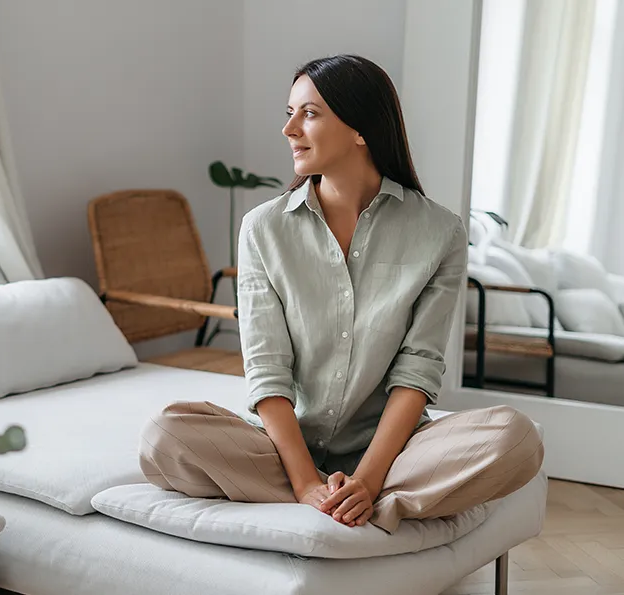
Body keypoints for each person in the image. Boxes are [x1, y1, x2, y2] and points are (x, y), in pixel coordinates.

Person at [138, 54, 544, 533]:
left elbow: (418, 368)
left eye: (309, 113)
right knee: (165, 436)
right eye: (289, 113)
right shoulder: (263, 229)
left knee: (516, 440)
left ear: (361, 129)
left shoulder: (439, 231)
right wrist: (307, 479)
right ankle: (336, 502)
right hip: (283, 446)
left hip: (392, 453)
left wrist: (369, 480)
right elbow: (267, 369)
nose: (289, 129)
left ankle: (360, 501)